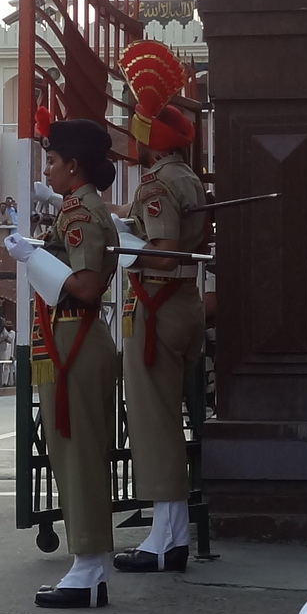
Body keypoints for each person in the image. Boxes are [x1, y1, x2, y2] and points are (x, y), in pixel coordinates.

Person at [5, 110, 120, 608]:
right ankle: (86, 564)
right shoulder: (77, 209)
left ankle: (90, 565)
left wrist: (35, 259)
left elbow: (88, 287)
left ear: (72, 166)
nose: (45, 170)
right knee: (70, 454)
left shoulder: (79, 214)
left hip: (75, 340)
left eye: (51, 161)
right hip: (68, 338)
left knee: (78, 456)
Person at [112, 40, 208, 575]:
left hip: (159, 303)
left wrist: (128, 247)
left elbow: (166, 253)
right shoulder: (184, 178)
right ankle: (166, 534)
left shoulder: (157, 184)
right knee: (165, 420)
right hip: (183, 304)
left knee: (155, 423)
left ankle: (165, 540)